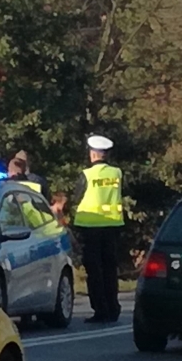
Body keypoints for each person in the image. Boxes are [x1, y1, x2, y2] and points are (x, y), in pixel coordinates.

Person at [71, 134, 125, 324]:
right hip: (113, 226)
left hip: (91, 227)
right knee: (110, 270)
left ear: (93, 154)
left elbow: (76, 197)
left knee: (95, 272)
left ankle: (101, 310)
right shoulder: (117, 173)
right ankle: (113, 307)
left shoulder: (87, 175)